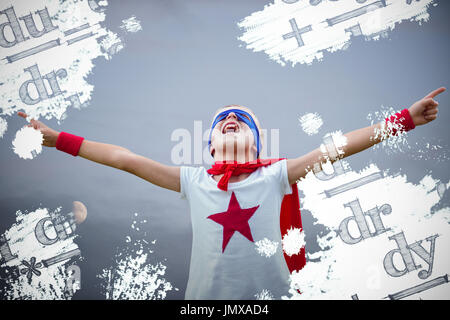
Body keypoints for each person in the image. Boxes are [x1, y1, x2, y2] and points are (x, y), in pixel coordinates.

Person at [17, 86, 445, 299]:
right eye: (223, 120)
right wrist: (61, 141)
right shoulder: (194, 181)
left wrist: (403, 119)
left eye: (241, 119)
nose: (231, 119)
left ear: (257, 143)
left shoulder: (277, 174)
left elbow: (341, 146)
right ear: (211, 147)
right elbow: (124, 158)